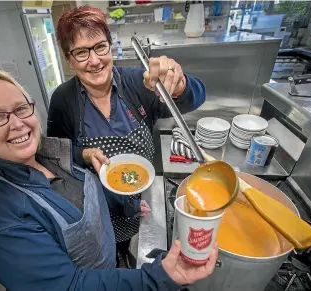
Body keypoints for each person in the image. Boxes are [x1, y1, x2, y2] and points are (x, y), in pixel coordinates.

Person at [0, 68, 218, 291]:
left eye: (21, 108)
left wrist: (124, 203)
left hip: (108, 270)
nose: (17, 123)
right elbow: (71, 286)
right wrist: (161, 277)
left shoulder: (45, 154)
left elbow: (81, 192)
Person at [47, 6, 206, 267]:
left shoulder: (139, 83)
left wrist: (180, 84)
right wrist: (84, 154)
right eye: (81, 52)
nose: (95, 60)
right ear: (69, 59)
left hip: (143, 197)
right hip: (97, 207)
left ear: (111, 46)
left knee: (141, 249)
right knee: (109, 252)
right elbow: (56, 155)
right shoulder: (63, 100)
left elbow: (196, 97)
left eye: (100, 47)